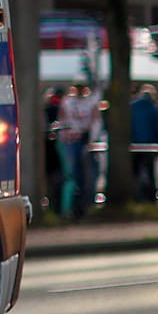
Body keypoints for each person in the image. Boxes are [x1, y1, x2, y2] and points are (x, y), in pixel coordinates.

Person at [56, 81, 100, 217]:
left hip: (84, 141)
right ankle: (70, 208)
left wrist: (92, 140)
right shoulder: (68, 103)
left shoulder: (90, 103)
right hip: (71, 141)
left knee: (85, 176)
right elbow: (62, 122)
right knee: (72, 176)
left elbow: (96, 122)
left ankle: (83, 207)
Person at [130, 84, 158, 202]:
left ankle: (135, 196)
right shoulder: (154, 107)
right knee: (150, 172)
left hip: (134, 146)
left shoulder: (132, 107)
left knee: (135, 172)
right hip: (150, 146)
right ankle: (151, 198)